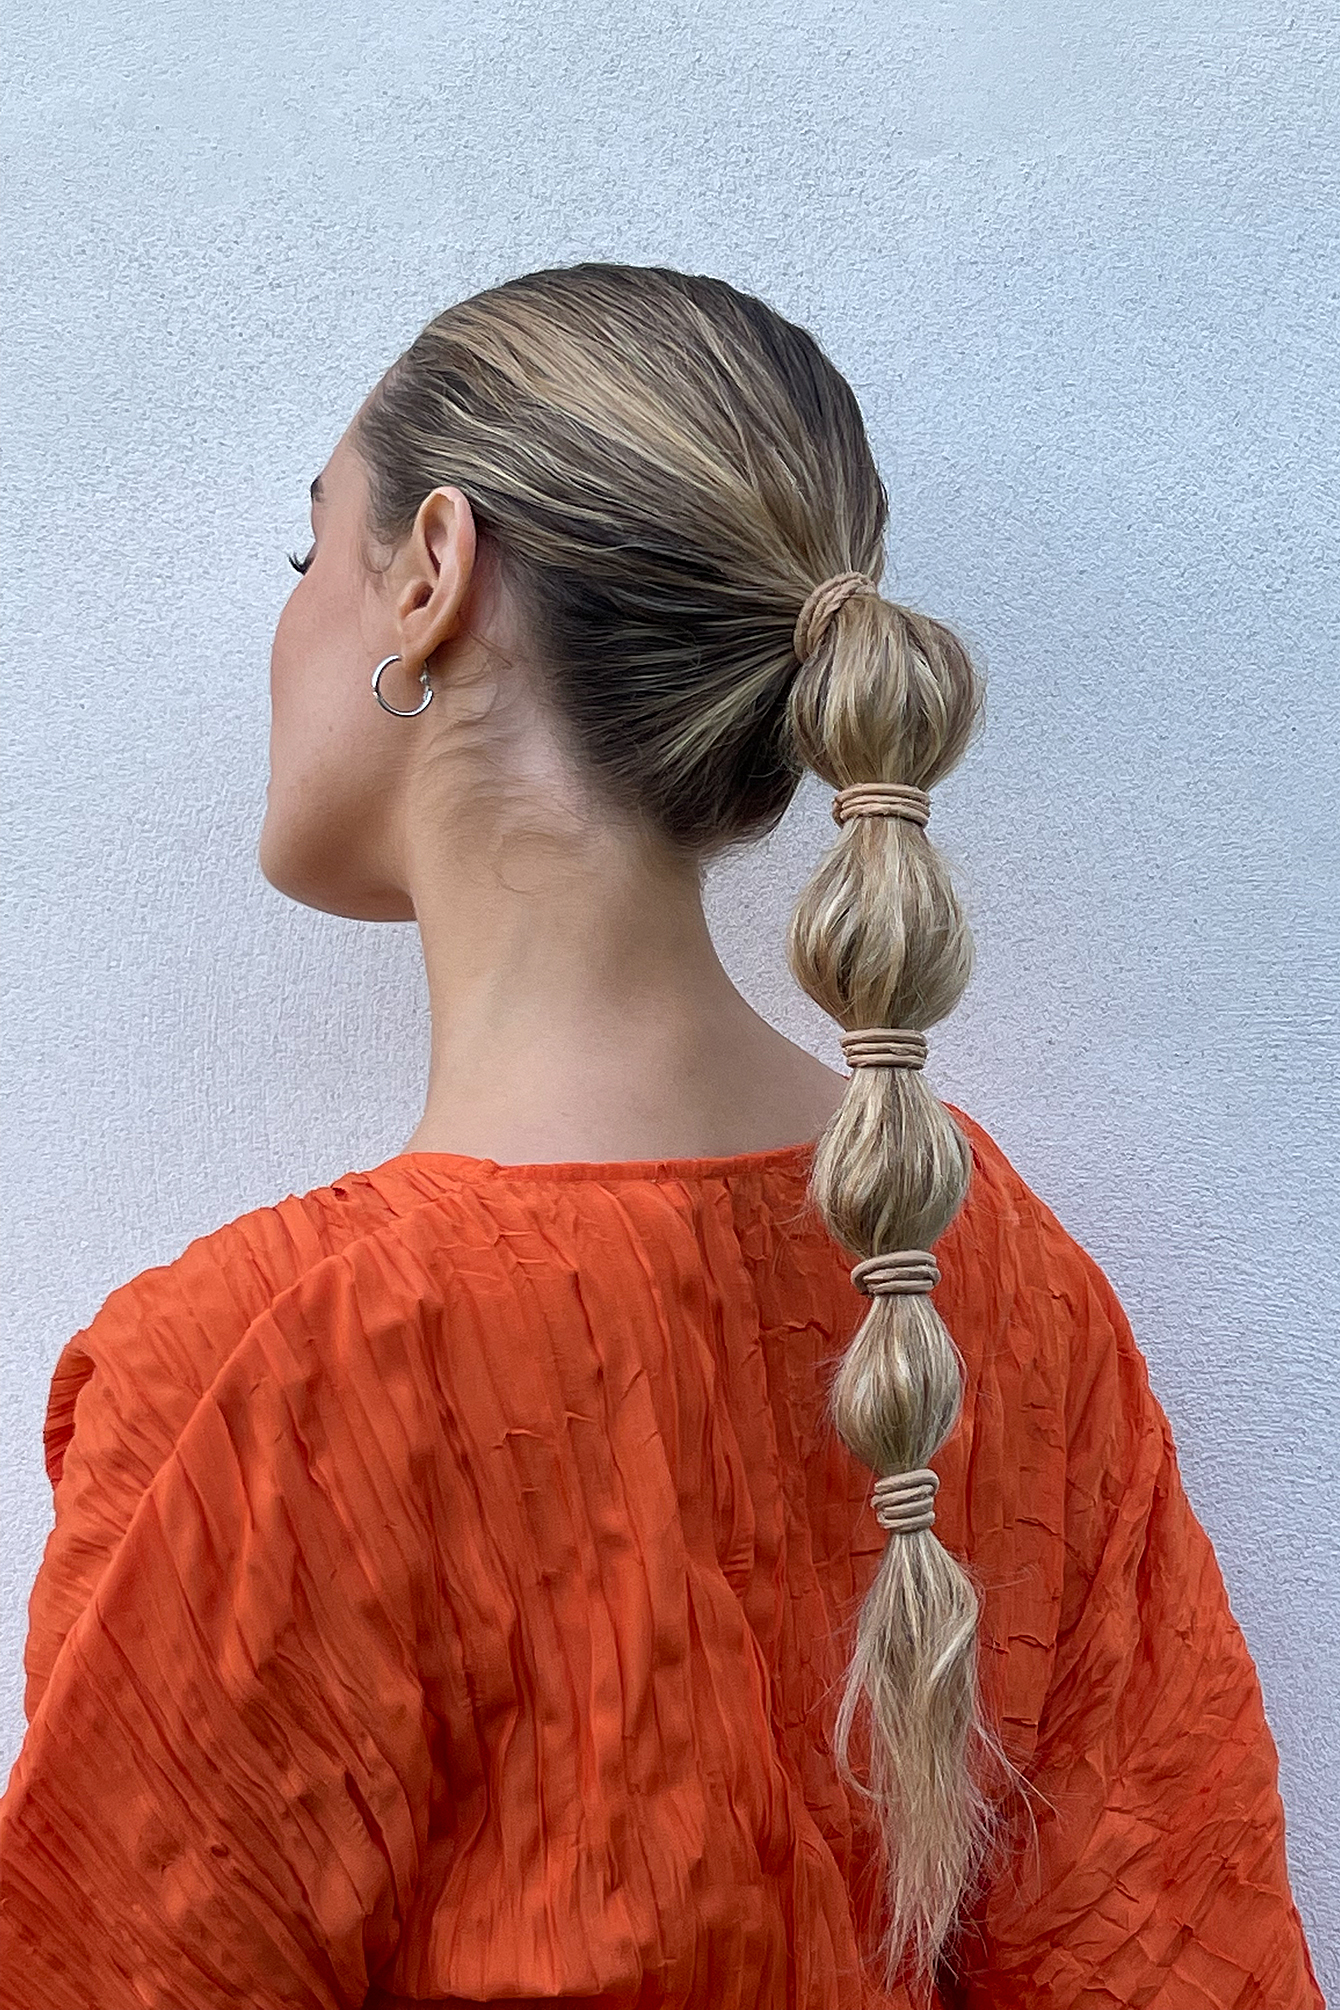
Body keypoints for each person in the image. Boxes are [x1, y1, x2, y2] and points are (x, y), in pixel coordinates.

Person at [0, 262, 1322, 2010]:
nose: (286, 619)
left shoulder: (258, 1375)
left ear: (431, 573)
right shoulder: (982, 1279)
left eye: (304, 548)